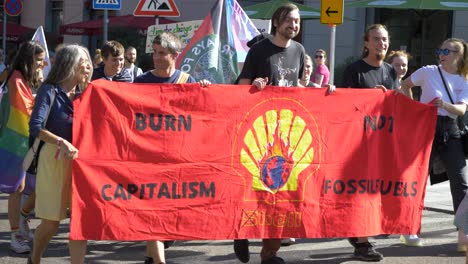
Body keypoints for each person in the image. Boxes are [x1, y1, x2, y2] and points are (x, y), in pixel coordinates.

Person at [235, 3, 305, 264]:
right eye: (289, 21)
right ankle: (239, 233)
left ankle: (269, 254)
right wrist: (253, 87)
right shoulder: (259, 51)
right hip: (257, 132)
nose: (294, 26)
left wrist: (322, 92)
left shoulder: (299, 50)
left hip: (286, 133)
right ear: (276, 22)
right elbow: (240, 88)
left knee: (280, 195)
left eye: (297, 22)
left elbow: (296, 86)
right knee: (254, 192)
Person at [134, 31, 210, 264]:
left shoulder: (187, 82)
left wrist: (206, 90)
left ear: (175, 55)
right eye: (155, 53)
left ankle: (151, 256)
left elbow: (205, 115)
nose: (156, 57)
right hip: (149, 156)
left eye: (162, 53)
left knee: (169, 210)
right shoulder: (142, 81)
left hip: (178, 157)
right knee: (154, 209)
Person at [400, 38, 468, 252]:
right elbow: (405, 84)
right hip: (426, 128)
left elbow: (462, 110)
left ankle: (464, 234)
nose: (441, 53)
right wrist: (414, 110)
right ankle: (410, 228)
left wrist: (445, 104)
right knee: (416, 179)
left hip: (450, 131)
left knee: (460, 181)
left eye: (446, 50)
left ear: (458, 54)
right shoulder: (428, 71)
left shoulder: (463, 79)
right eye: (440, 49)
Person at [28, 44, 93, 264]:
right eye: (83, 61)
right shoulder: (50, 90)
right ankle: (35, 258)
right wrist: (62, 142)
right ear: (70, 63)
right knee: (52, 222)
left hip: (82, 162)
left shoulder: (87, 91)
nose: (87, 65)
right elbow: (35, 127)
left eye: (88, 61)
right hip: (53, 158)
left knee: (80, 219)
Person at [342, 24, 398, 262]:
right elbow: (343, 107)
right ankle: (362, 243)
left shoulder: (390, 71)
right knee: (361, 194)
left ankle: (358, 236)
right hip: (356, 145)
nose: (381, 43)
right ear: (366, 43)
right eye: (376, 39)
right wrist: (367, 98)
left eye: (384, 39)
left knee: (373, 194)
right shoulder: (354, 70)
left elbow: (395, 107)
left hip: (381, 142)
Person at [0, 40, 45, 254]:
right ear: (28, 59)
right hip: (13, 141)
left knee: (24, 188)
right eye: (38, 60)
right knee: (17, 189)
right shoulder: (17, 78)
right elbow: (25, 110)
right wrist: (44, 101)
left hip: (18, 140)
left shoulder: (19, 78)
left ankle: (21, 227)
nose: (42, 64)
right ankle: (15, 234)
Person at [387, 50, 423, 247]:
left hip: (403, 143)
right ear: (389, 65)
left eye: (404, 66)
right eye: (397, 65)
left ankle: (404, 227)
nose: (401, 69)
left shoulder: (408, 88)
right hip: (385, 141)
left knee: (402, 185)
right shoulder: (386, 82)